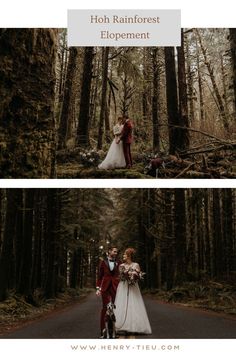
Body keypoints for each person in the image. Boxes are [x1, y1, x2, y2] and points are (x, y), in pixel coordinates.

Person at [114, 248, 152, 334]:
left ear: (129, 256)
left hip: (133, 287)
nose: (123, 256)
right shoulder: (121, 266)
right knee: (122, 304)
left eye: (124, 254)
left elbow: (138, 276)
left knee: (134, 304)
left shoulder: (136, 265)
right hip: (123, 287)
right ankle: (122, 326)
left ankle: (135, 326)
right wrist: (126, 274)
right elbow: (121, 276)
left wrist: (134, 276)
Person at [96, 246, 121, 336]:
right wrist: (98, 288)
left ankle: (114, 330)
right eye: (114, 251)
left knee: (115, 308)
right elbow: (99, 276)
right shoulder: (103, 262)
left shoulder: (119, 262)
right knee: (105, 308)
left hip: (115, 287)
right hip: (105, 287)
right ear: (109, 251)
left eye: (116, 252)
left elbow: (121, 274)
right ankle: (103, 331)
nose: (116, 253)